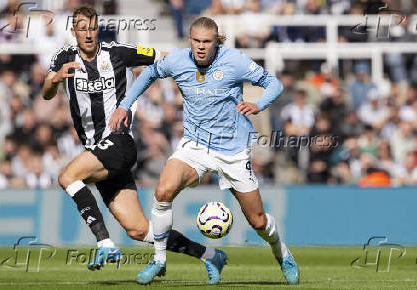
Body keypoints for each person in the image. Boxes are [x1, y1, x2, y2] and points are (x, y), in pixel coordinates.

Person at [41, 6, 226, 284]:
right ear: (73, 32)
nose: (88, 34)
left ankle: (104, 244)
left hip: (119, 142)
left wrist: (199, 76)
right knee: (139, 230)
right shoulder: (63, 57)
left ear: (97, 28)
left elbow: (162, 57)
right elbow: (46, 92)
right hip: (96, 151)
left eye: (92, 28)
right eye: (82, 28)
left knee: (68, 176)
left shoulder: (118, 53)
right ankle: (209, 255)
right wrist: (55, 78)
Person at [109, 16, 300, 285]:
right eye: (196, 41)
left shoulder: (234, 61)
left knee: (257, 221)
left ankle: (283, 254)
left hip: (232, 150)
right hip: (195, 145)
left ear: (216, 41)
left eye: (206, 41)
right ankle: (159, 261)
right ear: (190, 40)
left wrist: (259, 105)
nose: (201, 46)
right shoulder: (177, 60)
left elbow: (274, 84)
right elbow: (149, 74)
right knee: (163, 191)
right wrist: (125, 105)